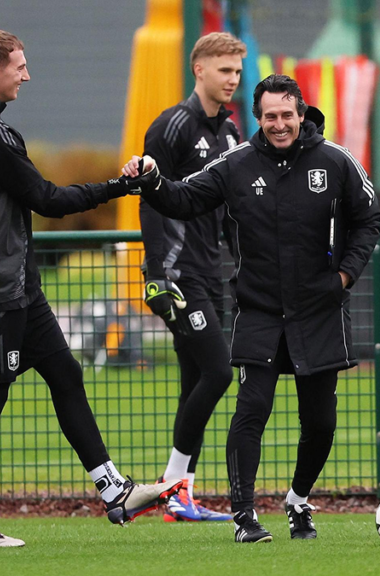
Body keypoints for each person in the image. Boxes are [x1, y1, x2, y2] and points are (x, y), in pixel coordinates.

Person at [0, 29, 180, 548]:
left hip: (17, 285)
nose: (28, 74)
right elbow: (48, 199)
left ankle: (112, 490)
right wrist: (123, 185)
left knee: (66, 374)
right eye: (20, 66)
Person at [123, 74, 380, 542]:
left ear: (302, 115)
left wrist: (344, 277)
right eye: (269, 116)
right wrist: (152, 180)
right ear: (258, 119)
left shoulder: (337, 160)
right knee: (251, 411)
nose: (279, 125)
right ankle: (244, 518)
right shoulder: (236, 163)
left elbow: (369, 220)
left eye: (287, 115)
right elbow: (184, 199)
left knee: (320, 423)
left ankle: (298, 500)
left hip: (320, 310)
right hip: (259, 310)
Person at [139, 31, 245, 523]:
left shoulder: (230, 133)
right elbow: (151, 200)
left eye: (238, 72)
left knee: (193, 382)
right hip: (179, 275)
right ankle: (171, 489)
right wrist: (156, 275)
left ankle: (180, 496)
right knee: (219, 372)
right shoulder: (172, 126)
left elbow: (232, 211)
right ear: (198, 68)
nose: (233, 80)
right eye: (225, 70)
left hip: (211, 273)